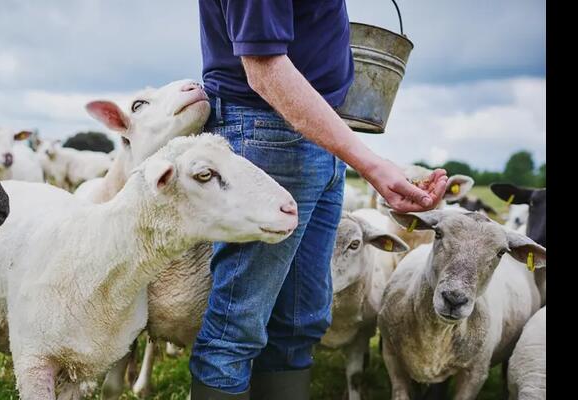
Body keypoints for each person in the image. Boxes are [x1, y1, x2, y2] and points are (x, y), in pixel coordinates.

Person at [190, 1, 449, 399]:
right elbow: (264, 68)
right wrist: (372, 166)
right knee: (237, 324)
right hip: (267, 133)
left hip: (318, 132)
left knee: (299, 322)